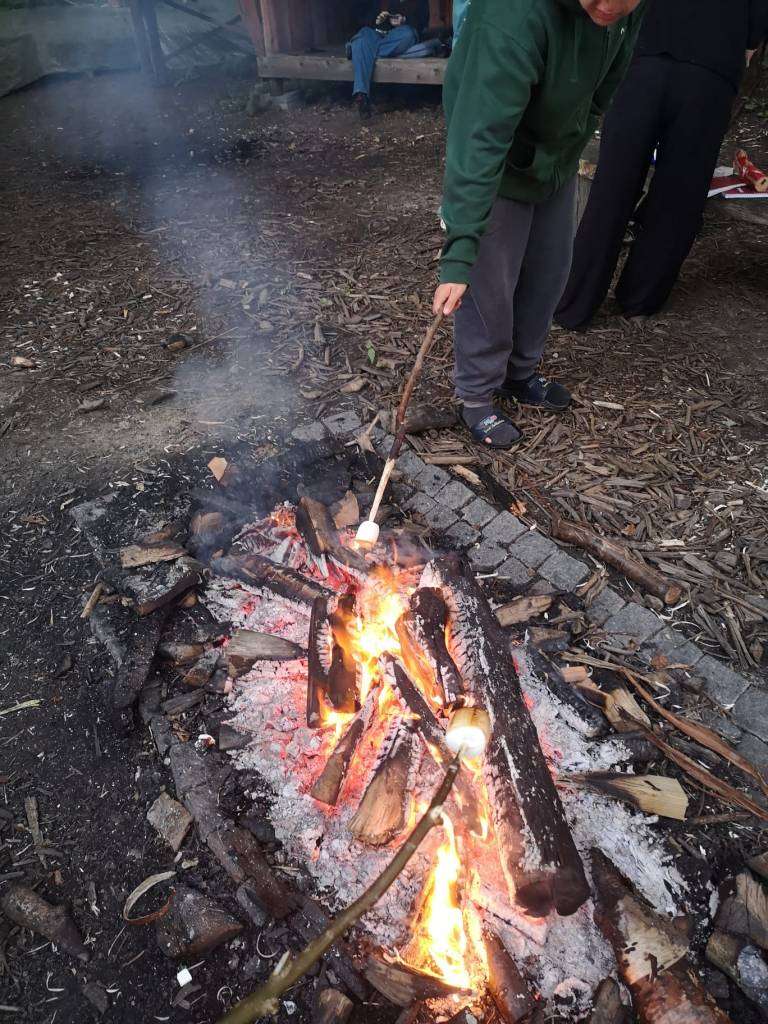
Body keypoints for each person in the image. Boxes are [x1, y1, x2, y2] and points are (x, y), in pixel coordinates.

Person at [433, 0, 646, 449]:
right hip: (497, 156)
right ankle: (476, 397)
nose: (611, 4)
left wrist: (574, 135)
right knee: (490, 284)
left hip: (555, 156)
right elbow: (479, 139)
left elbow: (610, 76)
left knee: (549, 271)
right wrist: (460, 250)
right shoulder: (511, 17)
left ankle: (520, 373)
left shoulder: (626, 11)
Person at [556, 0, 768, 330]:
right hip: (712, 64)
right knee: (679, 193)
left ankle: (574, 305)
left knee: (614, 184)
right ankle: (640, 299)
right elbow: (756, 24)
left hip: (646, 51)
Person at [350, 2, 431, 119]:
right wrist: (376, 19)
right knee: (363, 36)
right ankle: (361, 95)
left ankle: (362, 50)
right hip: (374, 33)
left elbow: (423, 20)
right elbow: (357, 17)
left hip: (398, 35)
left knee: (409, 35)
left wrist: (404, 20)